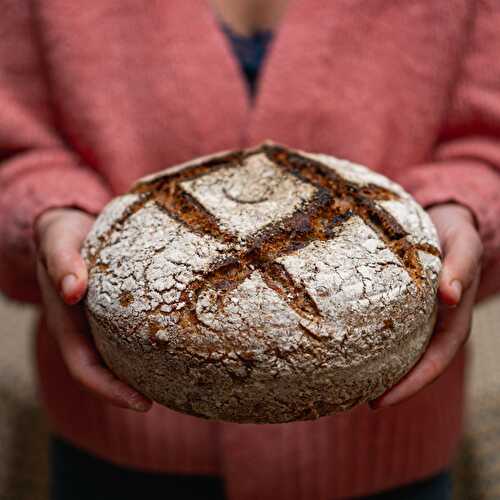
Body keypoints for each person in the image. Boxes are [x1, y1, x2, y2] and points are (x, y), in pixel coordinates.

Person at [1, 1, 499, 499]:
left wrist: (463, 205)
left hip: (382, 462)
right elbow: (16, 145)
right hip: (117, 457)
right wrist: (51, 211)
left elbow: (487, 141)